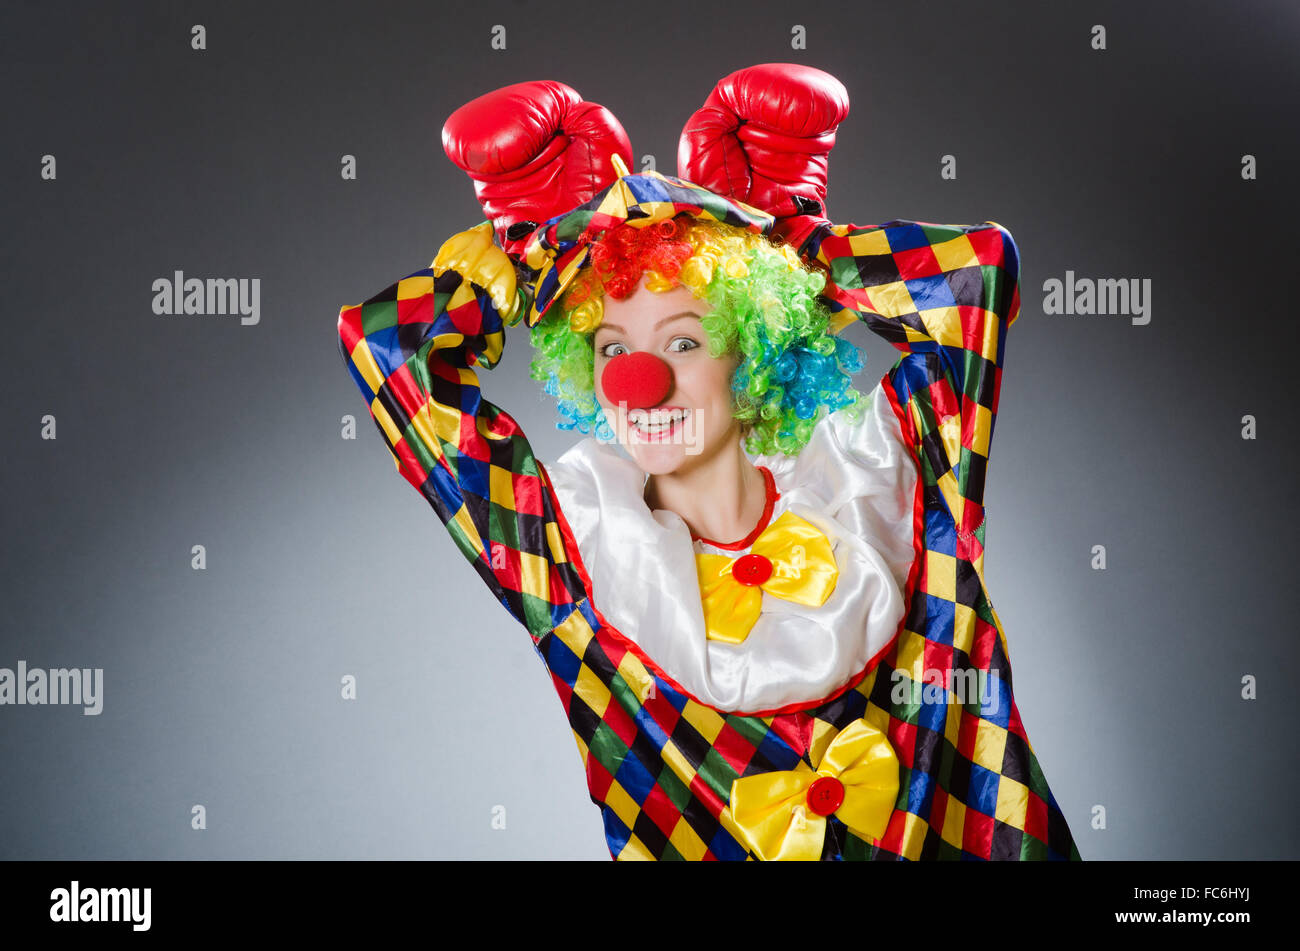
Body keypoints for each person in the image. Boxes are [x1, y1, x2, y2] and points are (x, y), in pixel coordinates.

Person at [336, 63, 1080, 861]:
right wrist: (507, 274)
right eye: (612, 347)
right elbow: (386, 352)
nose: (637, 380)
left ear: (753, 349)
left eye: (683, 341)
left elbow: (974, 278)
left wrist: (787, 239)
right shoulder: (572, 553)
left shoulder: (882, 483)